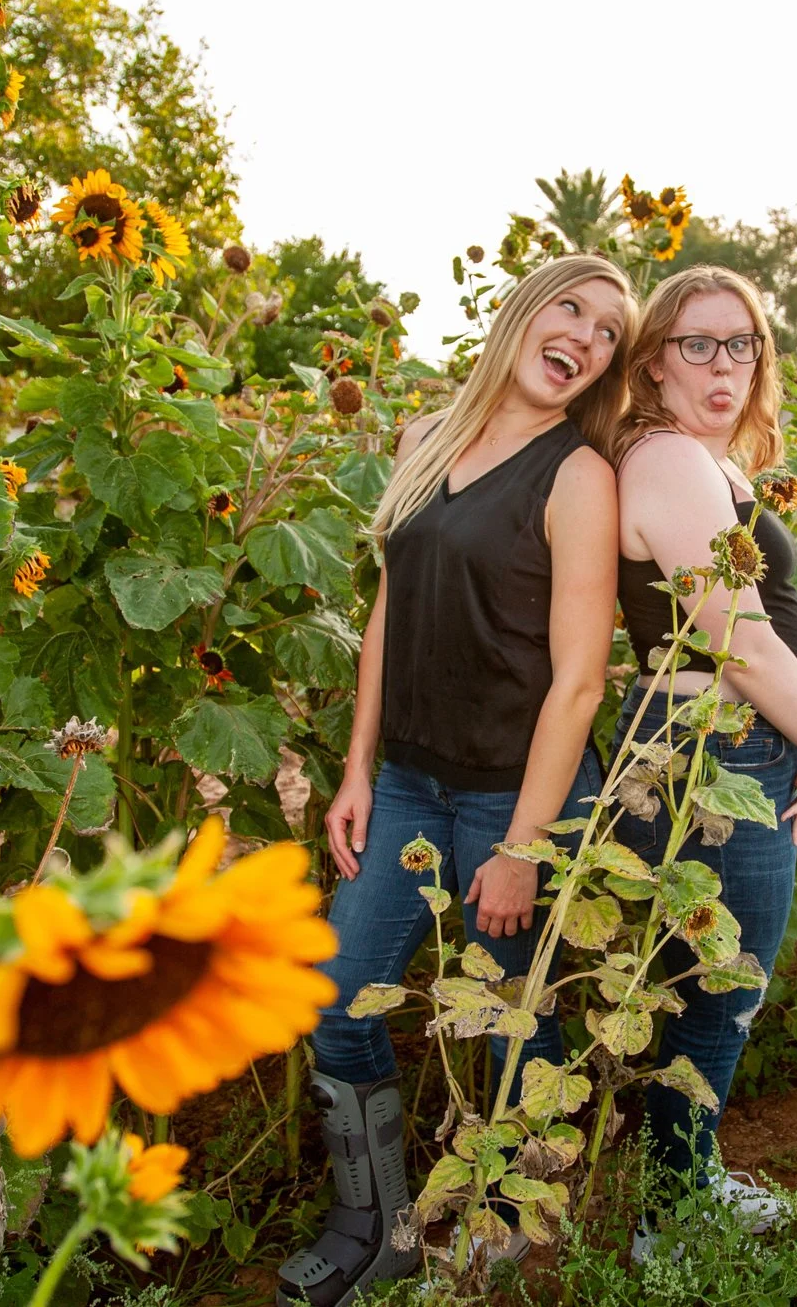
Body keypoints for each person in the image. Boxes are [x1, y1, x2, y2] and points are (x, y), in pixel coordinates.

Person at [277, 256, 636, 1307]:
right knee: (338, 998)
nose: (585, 339)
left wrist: (524, 845)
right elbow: (389, 613)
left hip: (512, 796)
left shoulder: (579, 476)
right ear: (524, 310)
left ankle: (506, 1238)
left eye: (609, 335)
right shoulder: (424, 439)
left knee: (510, 1020)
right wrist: (356, 768)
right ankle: (376, 1227)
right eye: (571, 308)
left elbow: (578, 682)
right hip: (407, 784)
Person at [585, 265, 797, 1259]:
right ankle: (670, 1219)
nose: (724, 365)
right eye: (696, 344)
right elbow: (732, 640)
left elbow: (765, 612)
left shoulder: (705, 461)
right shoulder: (666, 460)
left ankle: (684, 1183)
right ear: (653, 362)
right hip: (714, 749)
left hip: (739, 740)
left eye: (741, 344)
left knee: (711, 984)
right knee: (720, 991)